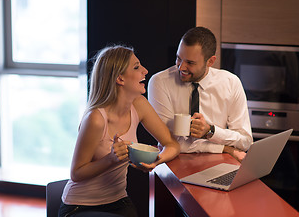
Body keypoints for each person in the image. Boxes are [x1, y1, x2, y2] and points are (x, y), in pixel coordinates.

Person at [59, 45, 180, 217]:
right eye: (137, 67)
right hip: (81, 206)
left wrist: (156, 161)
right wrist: (111, 159)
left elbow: (172, 145)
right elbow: (76, 173)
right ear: (120, 79)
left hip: (118, 200)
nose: (145, 71)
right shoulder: (96, 119)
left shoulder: (139, 105)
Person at [148, 26, 253, 162]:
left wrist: (211, 131)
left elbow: (245, 142)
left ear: (210, 61)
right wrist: (225, 148)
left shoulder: (231, 83)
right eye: (179, 58)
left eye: (190, 63)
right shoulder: (159, 82)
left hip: (218, 165)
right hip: (173, 163)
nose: (181, 67)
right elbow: (169, 143)